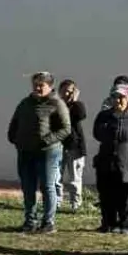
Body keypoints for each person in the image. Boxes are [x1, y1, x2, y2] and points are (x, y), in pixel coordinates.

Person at [7, 71, 70, 234]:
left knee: (47, 187)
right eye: (35, 85)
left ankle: (48, 223)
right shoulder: (25, 103)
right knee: (28, 187)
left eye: (41, 85)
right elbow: (15, 121)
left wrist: (47, 140)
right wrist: (14, 138)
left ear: (50, 86)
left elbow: (65, 129)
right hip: (25, 151)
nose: (37, 88)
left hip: (47, 152)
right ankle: (30, 221)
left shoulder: (56, 104)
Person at [93, 82, 128, 235]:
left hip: (127, 162)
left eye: (121, 97)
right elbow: (97, 134)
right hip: (106, 160)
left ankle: (127, 225)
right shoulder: (104, 116)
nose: (117, 100)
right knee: (106, 195)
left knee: (126, 196)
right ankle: (108, 223)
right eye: (114, 97)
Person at [58, 79, 87, 213]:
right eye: (64, 91)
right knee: (56, 177)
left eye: (70, 91)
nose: (67, 94)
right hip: (58, 146)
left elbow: (81, 115)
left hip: (75, 147)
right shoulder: (56, 106)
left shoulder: (77, 106)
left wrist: (74, 101)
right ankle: (56, 202)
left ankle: (75, 204)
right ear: (60, 91)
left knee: (75, 178)